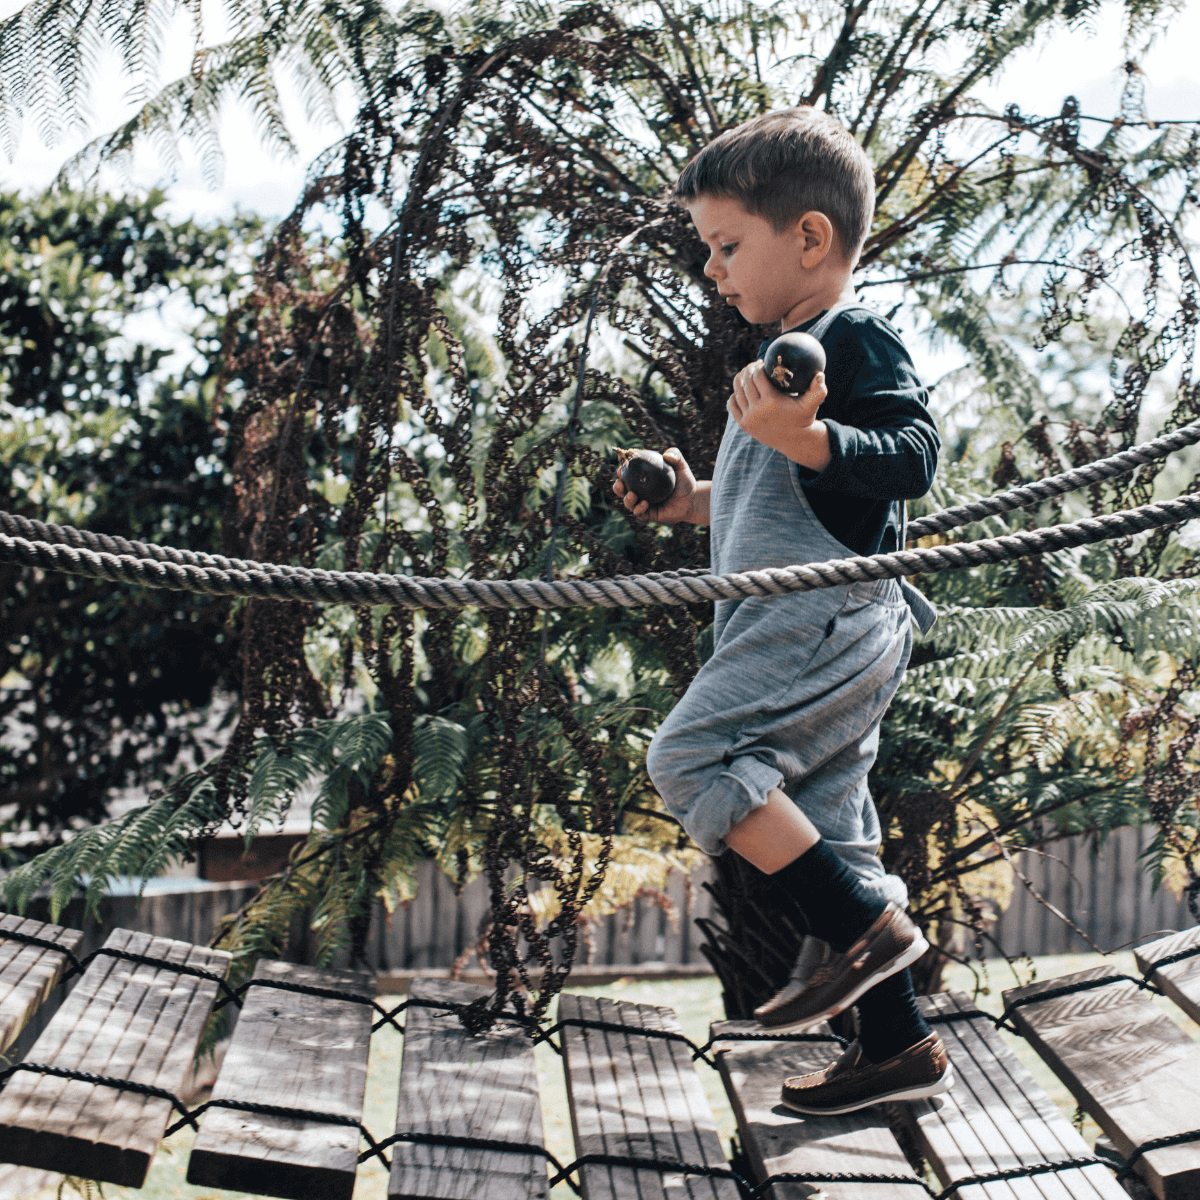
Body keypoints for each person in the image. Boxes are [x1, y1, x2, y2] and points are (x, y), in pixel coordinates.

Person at [613, 106, 950, 1114]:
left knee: (687, 758)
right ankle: (897, 1049)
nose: (713, 269)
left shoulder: (849, 339)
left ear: (808, 237)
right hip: (791, 623)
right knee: (837, 836)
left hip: (824, 618)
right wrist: (690, 505)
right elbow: (772, 498)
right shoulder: (776, 375)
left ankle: (865, 931)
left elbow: (913, 456)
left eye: (726, 245)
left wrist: (810, 438)